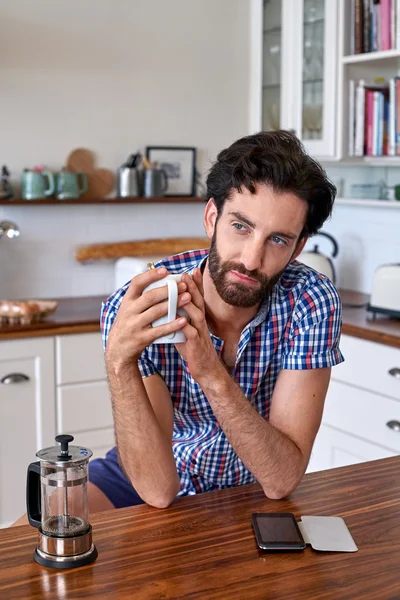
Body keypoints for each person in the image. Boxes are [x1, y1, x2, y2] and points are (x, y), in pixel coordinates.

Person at [87, 130, 344, 514]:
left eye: (277, 240)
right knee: (24, 542)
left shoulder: (310, 301)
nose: (251, 260)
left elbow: (281, 479)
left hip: (251, 481)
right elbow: (157, 490)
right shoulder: (143, 307)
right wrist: (118, 361)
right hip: (150, 465)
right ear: (212, 218)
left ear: (298, 248)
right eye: (240, 227)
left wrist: (208, 369)